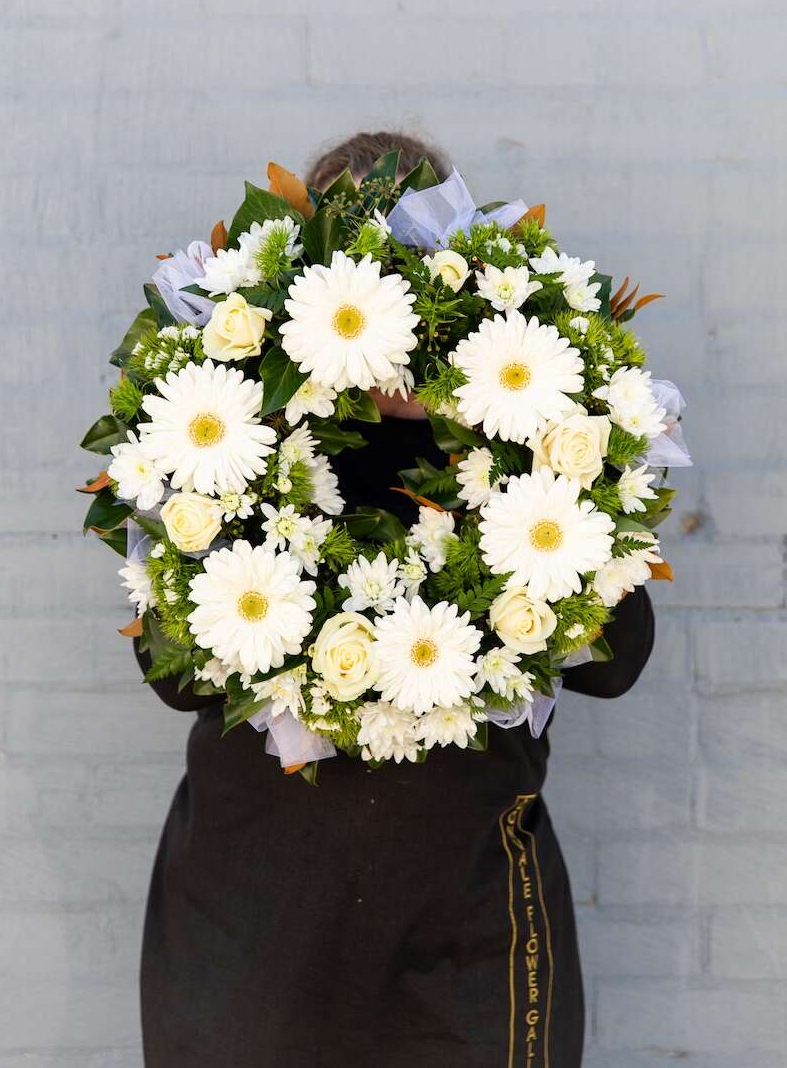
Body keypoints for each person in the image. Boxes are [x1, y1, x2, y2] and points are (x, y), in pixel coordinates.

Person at [135, 131, 654, 1068]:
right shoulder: (226, 437)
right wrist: (303, 421)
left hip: (466, 939)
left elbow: (618, 660)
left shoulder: (521, 440)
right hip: (249, 937)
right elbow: (168, 671)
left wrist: (493, 437)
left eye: (415, 278)